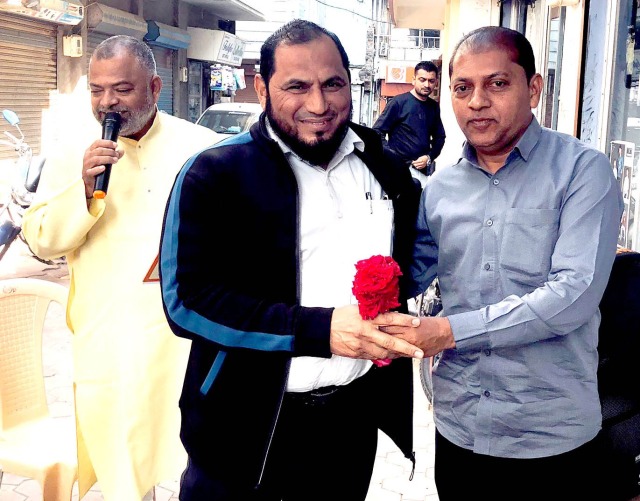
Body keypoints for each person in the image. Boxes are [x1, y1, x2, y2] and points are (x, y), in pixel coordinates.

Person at [159, 19, 423, 501]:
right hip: (243, 428)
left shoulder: (384, 167)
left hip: (348, 425)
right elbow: (186, 302)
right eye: (296, 87)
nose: (318, 105)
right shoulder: (215, 173)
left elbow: (412, 260)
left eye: (333, 84)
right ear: (262, 88)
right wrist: (320, 330)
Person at [395, 26, 623, 499]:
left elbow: (573, 295)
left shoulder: (582, 171)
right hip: (460, 428)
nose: (477, 102)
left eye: (497, 83)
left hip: (551, 436)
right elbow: (410, 274)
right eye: (462, 88)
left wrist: (450, 332)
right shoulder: (440, 188)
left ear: (533, 89)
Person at [21, 35, 217, 501]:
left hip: (182, 336)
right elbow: (43, 240)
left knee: (192, 453)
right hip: (111, 340)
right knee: (123, 468)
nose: (107, 102)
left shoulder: (201, 147)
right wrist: (83, 189)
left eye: (122, 89)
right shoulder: (73, 152)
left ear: (154, 86)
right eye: (97, 90)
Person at [373, 60, 446, 188]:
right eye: (422, 80)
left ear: (436, 83)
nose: (427, 84)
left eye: (431, 81)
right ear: (414, 80)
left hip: (423, 173)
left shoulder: (433, 107)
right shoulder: (398, 102)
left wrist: (429, 157)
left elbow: (439, 137)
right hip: (398, 171)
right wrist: (392, 158)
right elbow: (377, 132)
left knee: (421, 201)